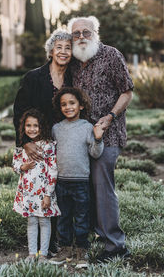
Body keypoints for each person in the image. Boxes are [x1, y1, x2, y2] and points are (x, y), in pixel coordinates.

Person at [67, 16, 134, 262]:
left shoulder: (111, 55)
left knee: (102, 186)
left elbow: (127, 91)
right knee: (85, 189)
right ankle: (97, 233)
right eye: (76, 33)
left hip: (108, 133)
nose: (81, 36)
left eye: (86, 31)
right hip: (80, 136)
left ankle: (116, 246)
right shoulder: (73, 61)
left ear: (96, 33)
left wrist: (110, 116)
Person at [13, 29, 72, 256]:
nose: (63, 52)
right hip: (38, 144)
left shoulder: (74, 77)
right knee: (40, 189)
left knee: (60, 188)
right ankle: (40, 245)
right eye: (59, 47)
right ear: (51, 50)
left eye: (68, 48)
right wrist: (24, 142)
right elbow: (19, 111)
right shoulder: (33, 77)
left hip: (65, 142)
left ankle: (60, 239)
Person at [49, 87, 104, 268]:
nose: (68, 107)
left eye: (72, 103)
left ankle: (81, 251)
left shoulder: (87, 127)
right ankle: (65, 249)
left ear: (81, 105)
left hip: (81, 182)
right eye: (63, 104)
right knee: (63, 217)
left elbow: (95, 154)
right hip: (61, 181)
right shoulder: (56, 129)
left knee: (81, 218)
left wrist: (97, 139)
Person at [12, 108, 61, 263]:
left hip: (43, 193)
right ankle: (32, 253)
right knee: (32, 222)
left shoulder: (48, 146)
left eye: (36, 126)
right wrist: (21, 167)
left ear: (42, 127)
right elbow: (14, 163)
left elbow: (53, 170)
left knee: (44, 222)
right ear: (23, 127)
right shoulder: (22, 147)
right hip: (27, 192)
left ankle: (44, 254)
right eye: (28, 125)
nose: (32, 129)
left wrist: (48, 194)